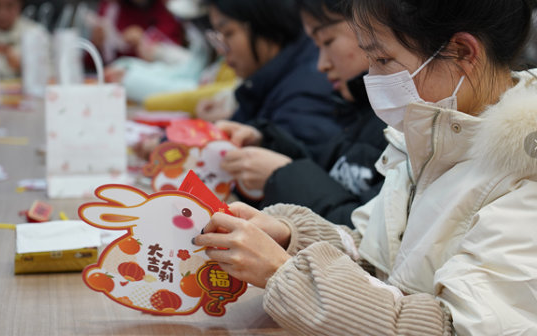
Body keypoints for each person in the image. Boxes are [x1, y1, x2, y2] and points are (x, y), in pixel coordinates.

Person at [193, 0, 537, 334]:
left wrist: (284, 272)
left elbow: (454, 328)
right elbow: (380, 258)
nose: (371, 77)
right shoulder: (430, 138)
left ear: (462, 52)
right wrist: (288, 239)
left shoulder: (525, 173)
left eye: (384, 59)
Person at [215, 0, 387, 226]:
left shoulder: (398, 126)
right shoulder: (361, 110)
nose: (322, 65)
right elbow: (329, 176)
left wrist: (281, 174)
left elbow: (363, 234)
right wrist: (267, 143)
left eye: (328, 41)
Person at [204, 0, 341, 159]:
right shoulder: (274, 78)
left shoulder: (303, 97)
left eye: (228, 33)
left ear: (263, 23)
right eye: (216, 37)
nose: (221, 50)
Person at [90, 0, 185, 64]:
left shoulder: (168, 7)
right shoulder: (112, 6)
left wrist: (144, 41)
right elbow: (91, 65)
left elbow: (177, 58)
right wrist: (97, 45)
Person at [0, 0, 41, 78]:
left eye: (10, 5)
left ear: (20, 6)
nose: (2, 13)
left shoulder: (36, 34)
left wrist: (24, 66)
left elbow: (50, 78)